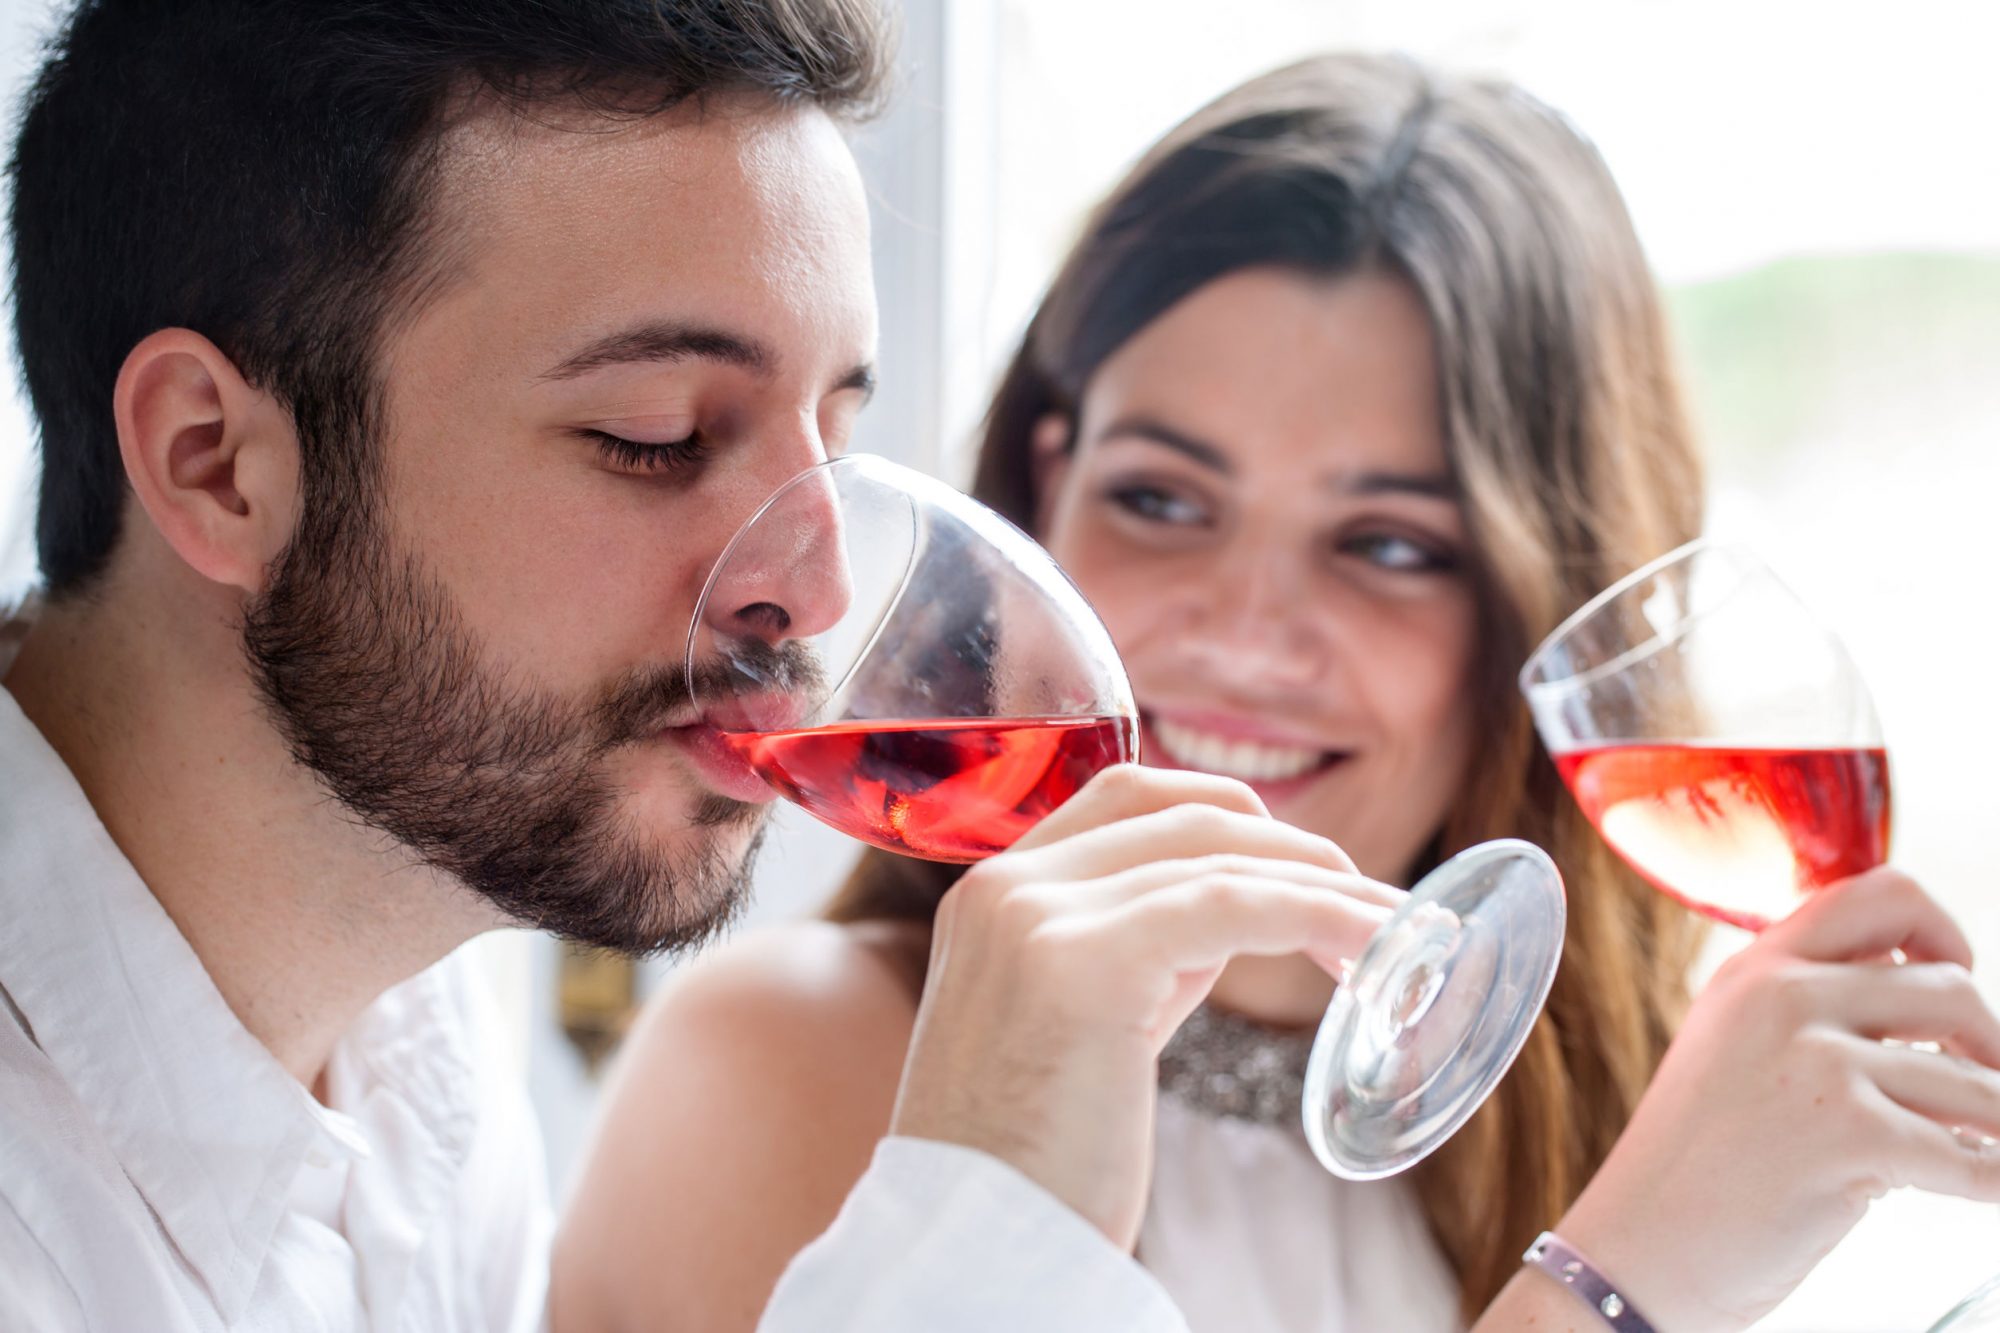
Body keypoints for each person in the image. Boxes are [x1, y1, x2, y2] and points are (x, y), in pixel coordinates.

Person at [0, 4, 1440, 1330]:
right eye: (660, 437)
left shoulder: (413, 1045)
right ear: (216, 463)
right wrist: (987, 1215)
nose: (817, 592)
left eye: (835, 441)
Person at [557, 52, 2000, 1333]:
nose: (1247, 635)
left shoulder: (1647, 1107)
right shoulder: (797, 1069)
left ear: (1539, 615)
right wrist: (1628, 1284)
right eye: (1162, 500)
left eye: (1389, 546)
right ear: (1047, 493)